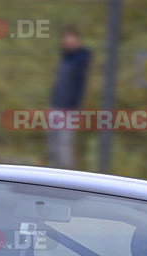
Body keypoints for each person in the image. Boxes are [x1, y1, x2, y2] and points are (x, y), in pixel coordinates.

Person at [48, 26, 91, 169]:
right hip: (56, 105)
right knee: (53, 146)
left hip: (69, 109)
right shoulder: (65, 58)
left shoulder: (80, 59)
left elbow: (79, 84)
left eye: (70, 40)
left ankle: (64, 175)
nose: (67, 43)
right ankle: (53, 171)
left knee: (64, 146)